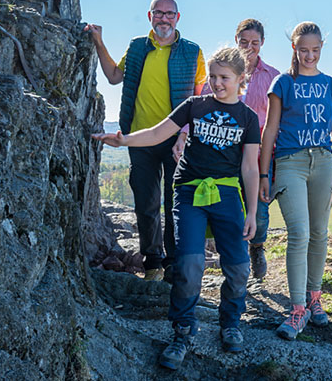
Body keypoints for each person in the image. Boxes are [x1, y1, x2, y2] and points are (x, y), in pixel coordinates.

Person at [93, 47, 260, 370]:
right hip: (189, 192)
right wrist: (123, 140)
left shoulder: (248, 118)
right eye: (212, 76)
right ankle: (182, 331)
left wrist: (252, 212)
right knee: (189, 264)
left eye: (224, 78)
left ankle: (230, 322)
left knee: (239, 268)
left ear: (242, 79)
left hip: (226, 195)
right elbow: (158, 133)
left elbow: (250, 168)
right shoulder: (194, 106)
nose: (216, 83)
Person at [85, 0, 206, 281]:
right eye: (158, 13)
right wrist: (99, 43)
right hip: (139, 138)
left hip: (177, 141)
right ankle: (152, 263)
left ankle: (174, 265)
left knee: (174, 203)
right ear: (150, 16)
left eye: (170, 14)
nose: (164, 18)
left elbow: (200, 97)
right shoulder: (138, 47)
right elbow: (115, 76)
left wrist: (186, 133)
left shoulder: (192, 51)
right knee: (146, 203)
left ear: (178, 17)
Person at [259, 21, 332, 340]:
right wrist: (262, 174)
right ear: (294, 49)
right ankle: (297, 309)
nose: (310, 55)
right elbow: (269, 130)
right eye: (303, 50)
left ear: (321, 48)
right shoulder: (282, 83)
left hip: (324, 163)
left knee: (319, 233)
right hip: (289, 163)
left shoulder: (331, 86)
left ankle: (315, 299)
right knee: (298, 233)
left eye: (315, 50)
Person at [174, 18, 279, 279]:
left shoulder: (273, 77)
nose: (249, 47)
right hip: (223, 150)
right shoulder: (219, 71)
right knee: (231, 208)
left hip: (259, 152)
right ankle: (236, 263)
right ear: (236, 41)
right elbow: (200, 109)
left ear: (262, 43)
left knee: (259, 209)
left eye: (255, 42)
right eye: (244, 41)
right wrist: (183, 135)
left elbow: (279, 116)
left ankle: (256, 247)